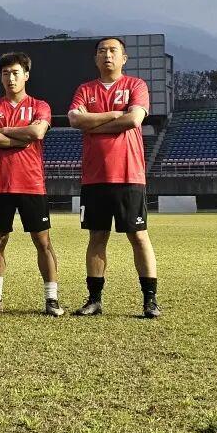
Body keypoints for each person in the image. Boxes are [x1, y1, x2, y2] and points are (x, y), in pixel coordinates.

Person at [67, 37, 161, 318]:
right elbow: (75, 120)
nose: (107, 55)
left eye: (113, 51)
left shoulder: (136, 85)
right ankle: (94, 299)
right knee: (97, 236)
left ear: (124, 58)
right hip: (94, 177)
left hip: (129, 175)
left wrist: (93, 123)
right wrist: (113, 115)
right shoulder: (85, 89)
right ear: (95, 59)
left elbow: (134, 120)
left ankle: (150, 300)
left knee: (138, 236)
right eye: (102, 51)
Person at [0, 52, 63, 316]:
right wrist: (21, 136)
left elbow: (37, 132)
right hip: (1, 185)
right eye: (5, 73)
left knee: (42, 241)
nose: (11, 78)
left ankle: (51, 299)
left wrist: (3, 131)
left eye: (15, 73)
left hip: (32, 184)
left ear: (26, 75)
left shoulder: (40, 106)